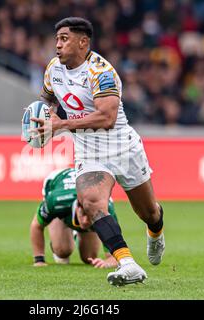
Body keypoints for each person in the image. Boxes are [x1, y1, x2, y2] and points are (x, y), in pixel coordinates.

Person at [30, 17, 165, 286]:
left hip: (122, 148)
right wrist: (43, 119)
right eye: (56, 39)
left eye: (64, 39)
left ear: (83, 42)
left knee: (148, 212)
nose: (57, 45)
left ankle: (155, 233)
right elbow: (48, 100)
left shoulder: (101, 72)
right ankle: (128, 264)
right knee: (91, 202)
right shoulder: (52, 70)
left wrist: (62, 125)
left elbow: (107, 118)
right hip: (89, 152)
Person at [30, 168, 118, 269]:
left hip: (85, 195)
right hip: (57, 186)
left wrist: (109, 261)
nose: (85, 221)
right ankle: (59, 238)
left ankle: (76, 233)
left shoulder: (105, 209)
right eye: (84, 214)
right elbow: (36, 225)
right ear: (78, 207)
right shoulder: (56, 201)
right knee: (63, 251)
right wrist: (39, 260)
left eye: (90, 216)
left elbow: (113, 257)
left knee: (89, 257)